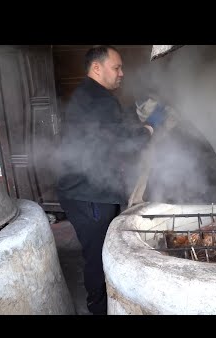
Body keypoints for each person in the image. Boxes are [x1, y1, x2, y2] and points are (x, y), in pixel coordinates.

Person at [56, 45, 165, 315]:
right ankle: (98, 308)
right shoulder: (97, 100)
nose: (122, 73)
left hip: (85, 191)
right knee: (97, 256)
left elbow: (111, 129)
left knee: (100, 249)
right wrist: (150, 127)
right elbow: (123, 143)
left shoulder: (90, 96)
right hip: (89, 193)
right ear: (97, 68)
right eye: (116, 68)